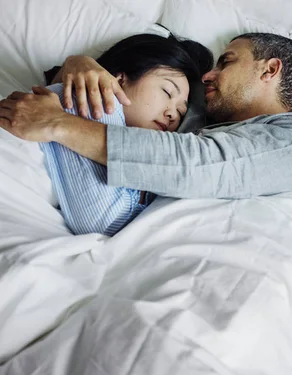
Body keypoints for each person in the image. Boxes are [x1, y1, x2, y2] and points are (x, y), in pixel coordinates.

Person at [0, 33, 292, 213]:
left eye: (226, 62)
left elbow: (199, 165)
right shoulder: (194, 128)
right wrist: (80, 65)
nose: (210, 75)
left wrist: (58, 124)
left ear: (270, 70)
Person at [31, 33, 213, 236]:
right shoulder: (97, 97)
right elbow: (104, 220)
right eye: (167, 92)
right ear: (119, 79)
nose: (172, 114)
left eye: (180, 112)